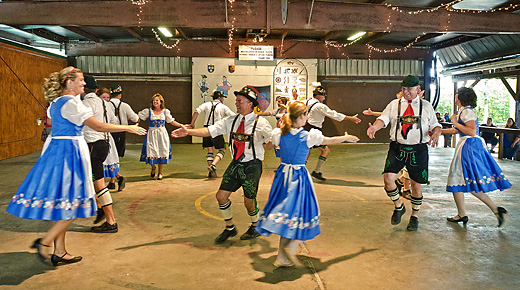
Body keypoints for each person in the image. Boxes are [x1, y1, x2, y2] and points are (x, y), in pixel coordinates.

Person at [6, 67, 145, 265]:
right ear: (68, 82)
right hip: (68, 154)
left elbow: (52, 122)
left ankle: (60, 251)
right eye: (79, 80)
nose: (83, 83)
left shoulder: (56, 102)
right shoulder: (72, 103)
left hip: (56, 151)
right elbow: (97, 126)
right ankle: (45, 243)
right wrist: (128, 127)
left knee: (62, 204)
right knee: (77, 203)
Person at [256, 101, 359, 267]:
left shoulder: (279, 133)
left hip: (282, 175)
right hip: (298, 176)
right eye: (305, 115)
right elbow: (330, 141)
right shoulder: (307, 136)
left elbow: (269, 147)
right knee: (303, 211)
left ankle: (281, 257)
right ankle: (291, 246)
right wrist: (346, 138)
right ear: (302, 116)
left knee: (287, 215)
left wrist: (276, 135)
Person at [172, 86, 273, 244]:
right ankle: (230, 228)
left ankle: (256, 225)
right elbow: (209, 131)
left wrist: (276, 141)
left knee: (249, 201)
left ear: (250, 103)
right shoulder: (230, 120)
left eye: (240, 101)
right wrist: (188, 132)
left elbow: (271, 142)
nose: (236, 103)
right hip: (236, 164)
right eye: (236, 101)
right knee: (221, 196)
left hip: (252, 166)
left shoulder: (262, 123)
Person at [367, 75, 441, 231]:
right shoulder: (394, 105)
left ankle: (414, 217)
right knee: (388, 179)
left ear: (418, 89)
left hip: (419, 150)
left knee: (416, 186)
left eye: (409, 88)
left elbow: (436, 125)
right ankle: (399, 206)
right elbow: (383, 119)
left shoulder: (426, 106)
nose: (406, 92)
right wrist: (374, 127)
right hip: (397, 147)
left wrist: (436, 132)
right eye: (403, 88)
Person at [442, 87, 510, 226]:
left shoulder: (466, 112)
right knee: (460, 180)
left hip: (469, 147)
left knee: (458, 177)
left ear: (460, 97)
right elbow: (459, 129)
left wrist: (454, 121)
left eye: (457, 94)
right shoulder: (463, 111)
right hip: (468, 146)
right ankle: (488, 210)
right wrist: (440, 131)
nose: (455, 95)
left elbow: (472, 131)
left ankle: (468, 213)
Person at [82, 76, 123, 233]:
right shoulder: (105, 103)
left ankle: (108, 217)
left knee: (96, 182)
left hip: (92, 144)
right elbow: (112, 120)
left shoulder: (85, 104)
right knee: (97, 181)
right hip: (104, 144)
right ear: (97, 90)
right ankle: (102, 211)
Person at [304, 86, 362, 181]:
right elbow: (334, 115)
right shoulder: (320, 106)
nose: (324, 98)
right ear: (320, 96)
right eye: (323, 97)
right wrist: (350, 118)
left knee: (307, 150)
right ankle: (314, 171)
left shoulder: (307, 102)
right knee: (324, 150)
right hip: (314, 130)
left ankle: (313, 171)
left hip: (306, 127)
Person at [190, 90, 235, 178]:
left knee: (210, 150)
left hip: (206, 129)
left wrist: (192, 123)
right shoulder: (223, 106)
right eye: (222, 97)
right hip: (217, 129)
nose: (223, 99)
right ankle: (213, 165)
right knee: (222, 150)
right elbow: (233, 116)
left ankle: (210, 171)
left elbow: (196, 111)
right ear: (219, 97)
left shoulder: (206, 104)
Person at [139, 93, 184, 180]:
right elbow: (139, 117)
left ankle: (160, 172)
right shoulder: (148, 111)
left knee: (161, 151)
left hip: (162, 133)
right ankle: (153, 167)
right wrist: (134, 124)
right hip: (152, 133)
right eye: (153, 100)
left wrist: (181, 125)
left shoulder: (165, 112)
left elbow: (171, 121)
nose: (155, 102)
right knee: (151, 151)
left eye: (157, 100)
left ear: (161, 102)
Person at [97, 87, 125, 191]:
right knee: (106, 161)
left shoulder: (107, 106)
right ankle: (116, 180)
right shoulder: (98, 105)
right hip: (100, 136)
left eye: (107, 97)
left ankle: (102, 188)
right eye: (103, 97)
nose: (106, 99)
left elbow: (114, 120)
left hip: (105, 136)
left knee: (106, 161)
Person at [108, 84, 139, 157]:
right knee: (119, 154)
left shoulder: (106, 105)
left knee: (110, 154)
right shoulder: (125, 106)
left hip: (109, 131)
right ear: (120, 95)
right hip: (121, 132)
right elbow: (135, 118)